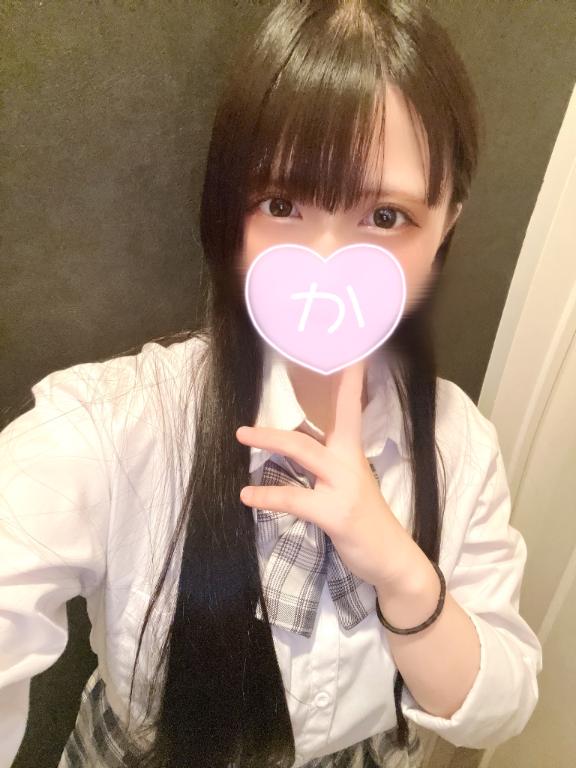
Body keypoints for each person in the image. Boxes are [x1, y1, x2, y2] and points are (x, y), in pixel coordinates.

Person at [0, 1, 543, 767]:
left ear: (446, 223)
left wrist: (400, 570)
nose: (326, 263)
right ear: (233, 207)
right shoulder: (120, 425)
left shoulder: (459, 444)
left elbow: (500, 708)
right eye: (282, 204)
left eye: (387, 216)